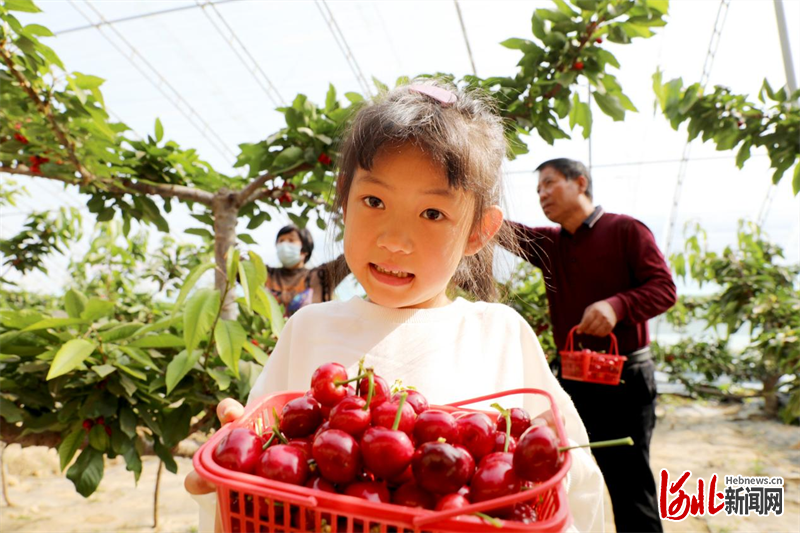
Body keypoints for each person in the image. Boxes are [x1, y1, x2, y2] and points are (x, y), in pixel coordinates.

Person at [185, 81, 605, 532]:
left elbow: (575, 487)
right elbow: (259, 480)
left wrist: (544, 461)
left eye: (432, 213)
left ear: (478, 232)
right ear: (344, 200)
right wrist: (228, 473)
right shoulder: (307, 329)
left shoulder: (499, 333)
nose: (394, 240)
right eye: (374, 201)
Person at [507, 158, 677, 533]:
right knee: (568, 476)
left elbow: (664, 289)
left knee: (629, 486)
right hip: (572, 379)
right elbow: (504, 231)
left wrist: (618, 306)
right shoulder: (551, 244)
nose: (542, 194)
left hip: (622, 382)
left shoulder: (625, 230)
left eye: (549, 183)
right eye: (538, 189)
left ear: (580, 183)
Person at [266, 224, 349, 316]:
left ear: (304, 249)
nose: (284, 245)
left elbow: (351, 256)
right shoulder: (265, 274)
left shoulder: (322, 276)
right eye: (281, 241)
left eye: (291, 240)